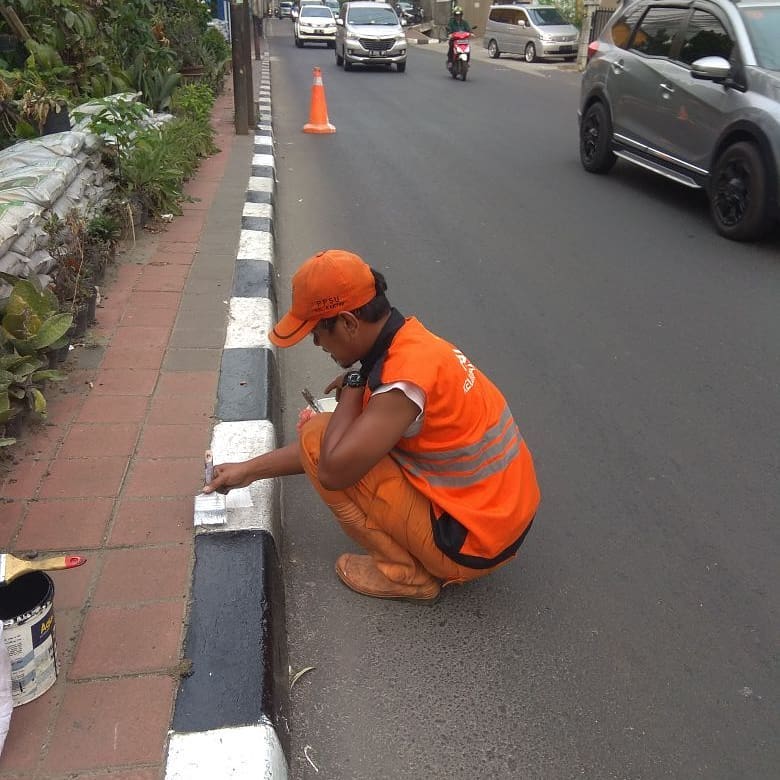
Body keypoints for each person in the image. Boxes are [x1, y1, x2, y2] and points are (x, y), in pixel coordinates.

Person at [204, 250, 541, 604]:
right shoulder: (410, 341)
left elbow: (332, 469)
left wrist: (353, 382)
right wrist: (249, 471)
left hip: (474, 542)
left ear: (349, 322)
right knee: (334, 432)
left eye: (318, 333)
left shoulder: (399, 381)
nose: (318, 345)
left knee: (319, 435)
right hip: (503, 516)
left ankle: (406, 577)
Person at [446, 5, 472, 69]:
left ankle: (467, 61)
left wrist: (471, 33)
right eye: (456, 15)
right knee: (451, 47)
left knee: (467, 48)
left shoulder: (464, 22)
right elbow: (448, 29)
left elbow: (468, 29)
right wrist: (449, 34)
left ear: (461, 15)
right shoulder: (451, 22)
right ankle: (450, 61)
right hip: (454, 40)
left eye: (459, 15)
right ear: (454, 15)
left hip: (463, 40)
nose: (458, 16)